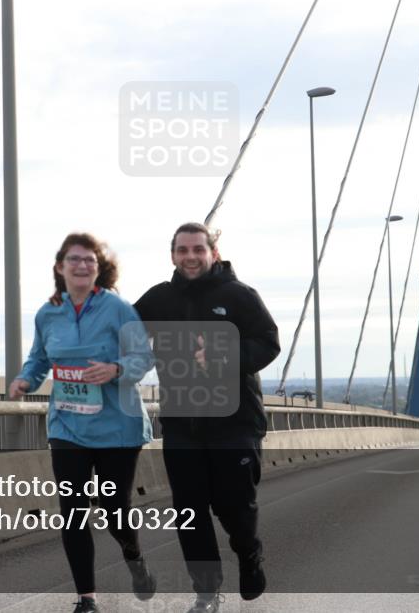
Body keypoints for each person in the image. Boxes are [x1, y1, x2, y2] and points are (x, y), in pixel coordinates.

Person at [133, 222, 280, 613]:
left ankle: (249, 555)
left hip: (234, 422)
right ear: (173, 256)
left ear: (213, 253)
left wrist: (224, 355)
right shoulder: (159, 299)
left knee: (235, 508)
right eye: (183, 250)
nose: (190, 257)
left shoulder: (239, 296)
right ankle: (206, 592)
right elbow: (119, 326)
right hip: (183, 425)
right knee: (189, 513)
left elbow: (269, 342)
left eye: (198, 249)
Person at [9, 232, 156, 613]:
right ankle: (86, 598)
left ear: (99, 268)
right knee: (73, 511)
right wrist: (26, 379)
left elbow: (143, 356)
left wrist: (115, 369)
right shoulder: (48, 313)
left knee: (113, 510)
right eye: (74, 259)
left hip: (118, 428)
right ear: (60, 267)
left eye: (90, 260)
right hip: (67, 426)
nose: (82, 265)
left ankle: (134, 558)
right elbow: (39, 358)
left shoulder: (118, 309)